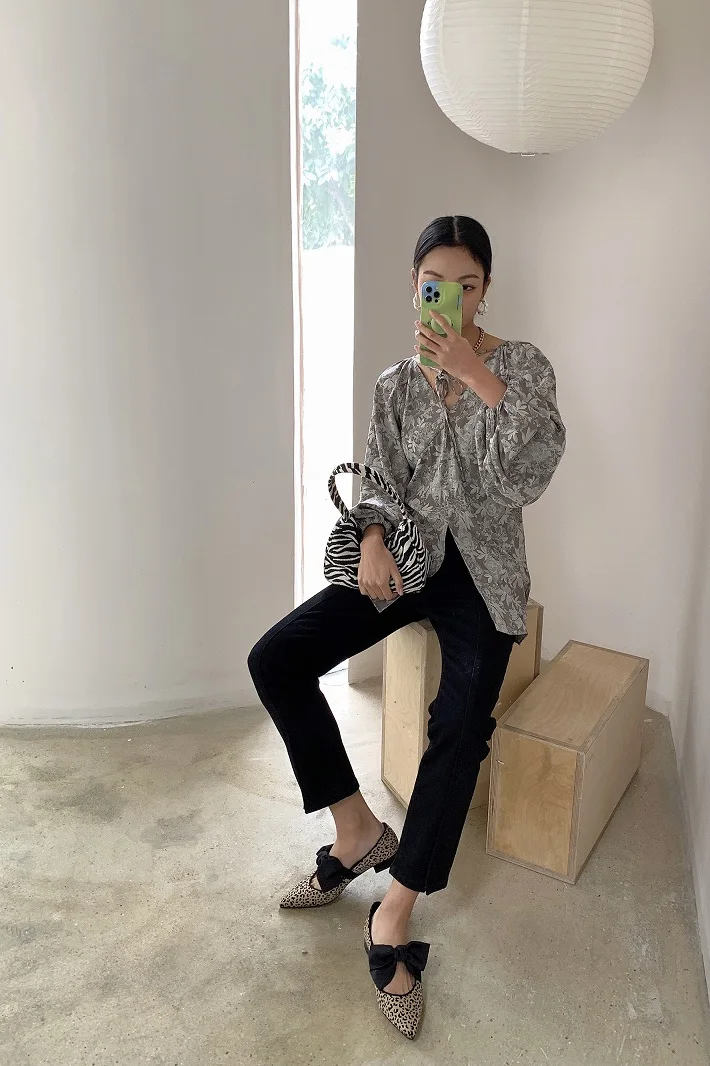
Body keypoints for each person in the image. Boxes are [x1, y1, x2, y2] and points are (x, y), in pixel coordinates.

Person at [248, 216, 566, 1040]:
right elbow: (380, 479)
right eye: (434, 285)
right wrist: (373, 539)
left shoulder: (521, 368)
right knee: (277, 658)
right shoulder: (396, 384)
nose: (450, 298)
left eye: (467, 285)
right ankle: (356, 830)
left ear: (486, 288)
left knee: (459, 724)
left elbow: (530, 474)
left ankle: (396, 906)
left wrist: (476, 376)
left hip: (484, 576)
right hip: (408, 561)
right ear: (415, 286)